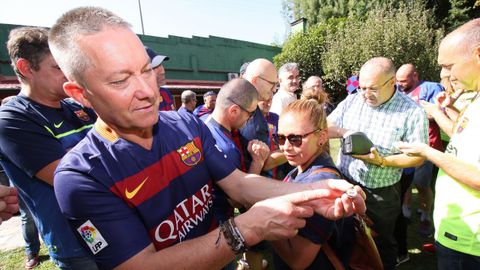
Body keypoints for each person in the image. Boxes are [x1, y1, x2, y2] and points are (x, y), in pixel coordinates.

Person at [48, 7, 366, 270]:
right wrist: (246, 228)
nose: (147, 92)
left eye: (146, 71)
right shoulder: (81, 178)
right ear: (80, 94)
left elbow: (239, 183)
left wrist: (315, 191)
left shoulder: (186, 124)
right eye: (120, 80)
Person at [0, 26, 98, 269]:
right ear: (25, 68)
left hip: (117, 226)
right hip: (76, 243)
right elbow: (72, 178)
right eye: (57, 67)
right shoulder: (12, 119)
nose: (68, 74)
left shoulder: (77, 107)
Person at [327, 57, 428, 269]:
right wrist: (345, 132)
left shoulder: (412, 112)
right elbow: (327, 126)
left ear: (392, 82)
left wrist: (382, 161)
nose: (365, 94)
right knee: (344, 234)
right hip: (345, 183)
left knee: (379, 242)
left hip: (380, 195)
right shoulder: (354, 100)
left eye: (372, 88)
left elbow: (418, 157)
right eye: (362, 87)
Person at [396, 18, 480, 269]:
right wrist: (445, 109)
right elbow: (462, 134)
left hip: (470, 242)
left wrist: (427, 151)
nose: (445, 74)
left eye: (449, 65)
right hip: (456, 233)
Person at [271, 97, 355, 270]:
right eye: (280, 138)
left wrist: (267, 225)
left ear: (322, 136)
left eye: (295, 139)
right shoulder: (302, 166)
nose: (285, 147)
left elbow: (298, 261)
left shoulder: (320, 183)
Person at [396, 63, 444, 235]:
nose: (399, 84)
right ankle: (406, 212)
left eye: (403, 81)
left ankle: (425, 216)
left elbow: (440, 113)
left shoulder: (430, 88)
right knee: (405, 182)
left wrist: (415, 114)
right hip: (404, 146)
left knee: (422, 184)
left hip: (426, 145)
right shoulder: (398, 90)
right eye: (398, 81)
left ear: (415, 76)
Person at [0, 95, 41, 269]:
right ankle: (31, 251)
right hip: (21, 185)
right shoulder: (6, 127)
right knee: (28, 218)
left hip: (37, 185)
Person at [145, 46, 175, 111]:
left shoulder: (166, 92)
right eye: (155, 67)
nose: (162, 71)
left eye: (161, 65)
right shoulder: (142, 99)